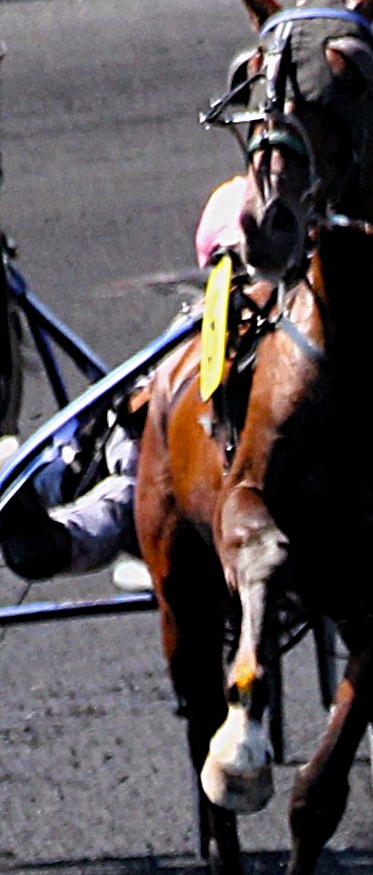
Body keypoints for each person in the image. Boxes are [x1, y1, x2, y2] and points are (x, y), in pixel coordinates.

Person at [3, 176, 251, 584]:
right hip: (123, 439)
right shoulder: (198, 323)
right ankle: (22, 492)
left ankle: (53, 539)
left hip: (176, 477)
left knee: (124, 496)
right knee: (75, 463)